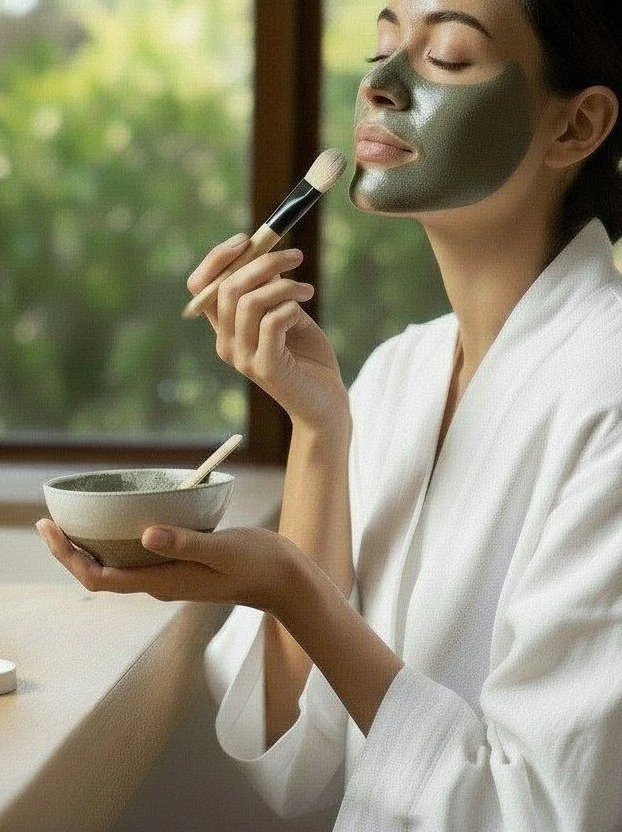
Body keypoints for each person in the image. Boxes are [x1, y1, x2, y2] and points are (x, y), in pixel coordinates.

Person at [36, 0, 622, 827]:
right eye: (382, 45)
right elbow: (297, 762)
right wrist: (318, 431)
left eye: (448, 57)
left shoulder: (609, 389)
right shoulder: (399, 373)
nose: (382, 83)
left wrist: (293, 589)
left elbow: (542, 810)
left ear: (578, 124)